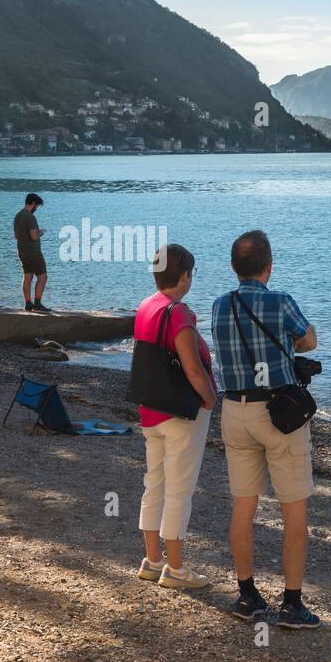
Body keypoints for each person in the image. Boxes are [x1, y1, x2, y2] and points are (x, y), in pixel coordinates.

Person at [211, 230, 321, 629]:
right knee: (294, 508)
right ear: (269, 266)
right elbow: (309, 340)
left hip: (235, 411)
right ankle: (291, 604)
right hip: (279, 414)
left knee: (244, 504)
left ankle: (247, 596)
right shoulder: (280, 301)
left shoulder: (219, 306)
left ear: (233, 267)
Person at [134, 244, 218, 589]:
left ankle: (152, 561)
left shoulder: (145, 306)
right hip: (180, 411)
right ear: (184, 276)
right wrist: (211, 399)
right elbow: (192, 367)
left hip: (150, 408)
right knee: (180, 489)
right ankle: (178, 569)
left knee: (154, 483)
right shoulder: (178, 312)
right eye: (191, 274)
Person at [13, 192, 51, 312]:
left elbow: (16, 235)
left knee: (27, 276)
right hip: (33, 252)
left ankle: (28, 304)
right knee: (43, 277)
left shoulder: (18, 216)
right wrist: (40, 233)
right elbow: (34, 237)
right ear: (33, 203)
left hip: (21, 251)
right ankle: (38, 304)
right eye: (37, 206)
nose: (36, 209)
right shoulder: (30, 217)